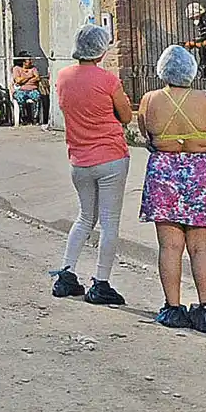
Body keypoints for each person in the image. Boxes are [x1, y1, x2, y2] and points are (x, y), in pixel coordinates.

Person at [137, 44, 206, 333]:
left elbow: (145, 132)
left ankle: (173, 307)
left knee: (170, 246)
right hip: (200, 173)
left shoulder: (150, 101)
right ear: (192, 69)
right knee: (202, 249)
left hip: (164, 173)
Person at [51, 24, 132, 307]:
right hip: (110, 157)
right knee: (109, 223)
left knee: (85, 217)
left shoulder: (62, 77)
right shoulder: (108, 81)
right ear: (101, 50)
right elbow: (125, 116)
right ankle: (101, 282)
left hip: (79, 158)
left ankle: (66, 273)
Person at [12, 55, 43, 123]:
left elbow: (37, 78)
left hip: (32, 89)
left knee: (38, 97)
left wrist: (24, 79)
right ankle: (24, 117)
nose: (31, 61)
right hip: (21, 90)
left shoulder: (33, 68)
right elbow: (18, 81)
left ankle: (35, 118)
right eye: (29, 60)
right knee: (20, 98)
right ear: (24, 62)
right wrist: (30, 76)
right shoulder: (16, 68)